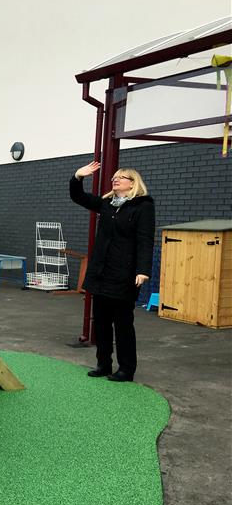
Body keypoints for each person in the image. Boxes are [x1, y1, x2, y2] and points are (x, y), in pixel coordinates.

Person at [70, 161, 155, 382]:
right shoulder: (107, 204)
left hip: (124, 275)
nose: (114, 179)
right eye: (114, 177)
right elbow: (79, 197)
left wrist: (143, 270)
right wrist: (78, 177)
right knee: (101, 322)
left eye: (121, 177)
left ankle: (126, 369)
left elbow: (145, 240)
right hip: (101, 273)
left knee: (123, 324)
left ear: (132, 183)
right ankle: (103, 364)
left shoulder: (143, 206)